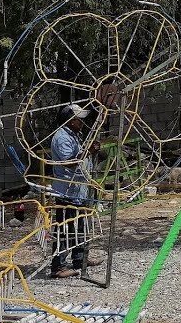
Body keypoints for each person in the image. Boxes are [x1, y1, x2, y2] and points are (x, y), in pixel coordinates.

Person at [49, 104, 104, 278]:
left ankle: (80, 259)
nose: (82, 122)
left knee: (80, 226)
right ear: (70, 120)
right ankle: (58, 266)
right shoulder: (62, 138)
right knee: (65, 228)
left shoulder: (75, 135)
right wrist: (88, 152)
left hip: (78, 190)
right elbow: (68, 162)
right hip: (66, 190)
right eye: (78, 119)